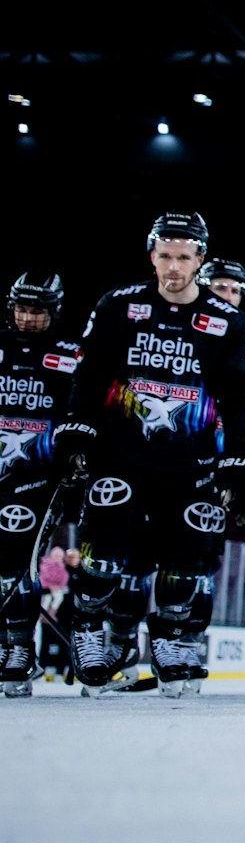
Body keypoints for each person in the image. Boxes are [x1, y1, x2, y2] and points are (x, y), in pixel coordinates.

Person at [53, 214, 245, 697]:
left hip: (190, 463)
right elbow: (88, 378)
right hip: (120, 456)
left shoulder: (228, 320)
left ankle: (169, 637)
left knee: (187, 554)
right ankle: (89, 630)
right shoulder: (118, 306)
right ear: (152, 256)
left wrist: (241, 458)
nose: (173, 267)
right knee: (105, 546)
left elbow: (241, 399)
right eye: (165, 256)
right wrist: (76, 431)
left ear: (200, 260)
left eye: (184, 257)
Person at [2, 272, 80, 697]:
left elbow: (85, 409)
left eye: (38, 311)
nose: (29, 318)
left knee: (14, 560)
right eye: (22, 309)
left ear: (54, 312)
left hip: (38, 477)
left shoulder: (70, 357)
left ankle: (19, 649)